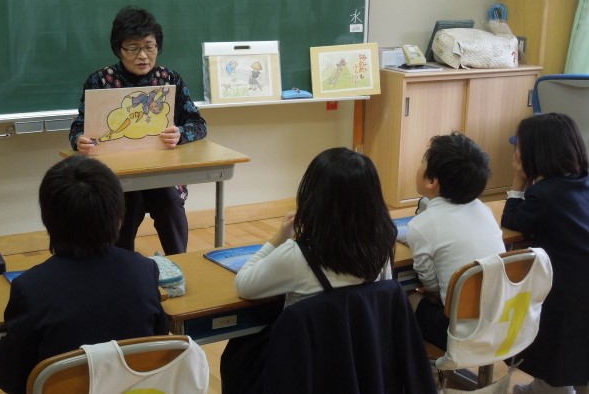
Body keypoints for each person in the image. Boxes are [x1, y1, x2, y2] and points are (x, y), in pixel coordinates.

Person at [221, 147, 400, 393]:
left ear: (314, 198)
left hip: (303, 370)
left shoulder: (298, 256)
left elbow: (244, 284)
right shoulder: (383, 246)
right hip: (359, 365)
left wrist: (278, 238)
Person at [0, 155, 169, 394]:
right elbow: (158, 345)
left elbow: (8, 378)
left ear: (47, 220)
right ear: (119, 219)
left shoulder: (30, 288)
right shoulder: (144, 270)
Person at [69, 5, 207, 255]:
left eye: (149, 47)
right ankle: (122, 266)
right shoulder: (100, 81)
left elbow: (198, 124)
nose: (143, 55)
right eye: (133, 48)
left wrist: (180, 134)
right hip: (118, 174)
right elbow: (79, 127)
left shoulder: (169, 79)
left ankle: (182, 262)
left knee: (170, 202)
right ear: (118, 49)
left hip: (161, 171)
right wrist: (79, 139)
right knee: (126, 206)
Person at [501, 113, 589, 394]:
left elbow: (514, 220)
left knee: (554, 354)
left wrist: (518, 181)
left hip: (567, 291)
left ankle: (551, 388)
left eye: (519, 147)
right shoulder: (582, 181)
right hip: (581, 283)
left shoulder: (545, 194)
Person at [407, 132, 506, 350]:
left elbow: (431, 286)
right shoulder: (484, 210)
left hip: (457, 334)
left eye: (422, 162)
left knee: (403, 297)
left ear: (432, 181)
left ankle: (413, 367)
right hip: (501, 326)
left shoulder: (421, 226)